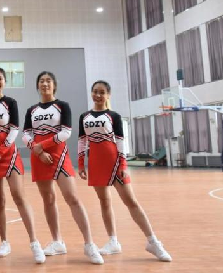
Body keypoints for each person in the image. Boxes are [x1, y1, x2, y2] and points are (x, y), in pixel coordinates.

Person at [78, 80, 172, 262]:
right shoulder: (84, 116)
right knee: (104, 202)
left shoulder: (114, 116)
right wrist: (81, 164)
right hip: (95, 163)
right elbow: (82, 141)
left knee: (131, 201)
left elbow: (121, 142)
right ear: (91, 93)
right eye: (95, 91)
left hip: (114, 163)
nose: (98, 95)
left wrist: (123, 165)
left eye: (102, 92)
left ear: (108, 95)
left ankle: (153, 241)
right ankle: (113, 241)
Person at [22, 71, 104, 264]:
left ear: (54, 85)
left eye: (48, 80)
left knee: (72, 198)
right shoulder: (31, 110)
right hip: (39, 157)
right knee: (48, 199)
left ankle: (89, 244)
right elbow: (26, 135)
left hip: (59, 156)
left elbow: (66, 132)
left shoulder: (62, 106)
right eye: (41, 81)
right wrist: (38, 152)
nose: (45, 84)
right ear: (38, 85)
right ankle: (57, 241)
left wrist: (42, 146)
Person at [0, 67, 45, 263]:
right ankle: (4, 242)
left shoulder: (10, 102)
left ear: (4, 82)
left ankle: (34, 242)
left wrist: (2, 150)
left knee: (18, 196)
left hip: (9, 156)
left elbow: (14, 129)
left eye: (0, 78)